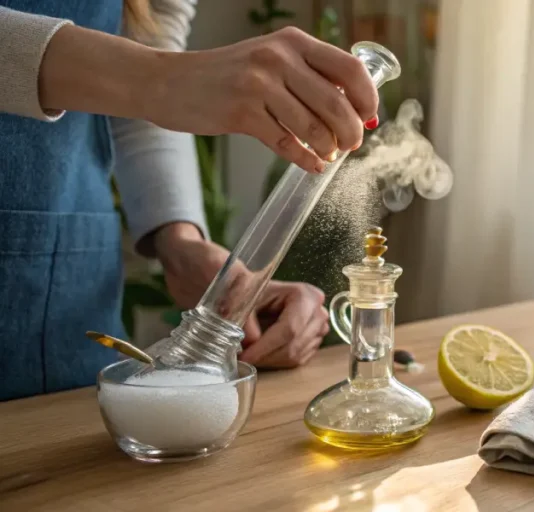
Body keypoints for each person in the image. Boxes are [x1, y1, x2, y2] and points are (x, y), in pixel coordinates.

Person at [0, 0, 380, 401]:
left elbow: (141, 75)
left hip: (65, 289)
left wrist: (182, 244)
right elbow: (150, 81)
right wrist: (159, 79)